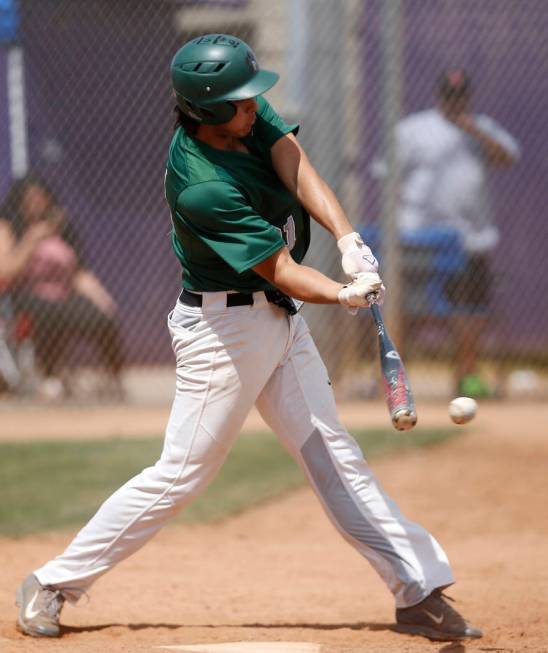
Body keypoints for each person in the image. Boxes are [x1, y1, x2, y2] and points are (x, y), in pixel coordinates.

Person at [15, 35, 481, 642]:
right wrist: (342, 293)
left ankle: (415, 588)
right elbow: (282, 270)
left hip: (277, 320)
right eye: (240, 103)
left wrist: (345, 237)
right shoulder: (201, 182)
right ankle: (51, 582)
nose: (254, 108)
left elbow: (294, 160)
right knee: (181, 474)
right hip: (223, 333)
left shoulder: (239, 118)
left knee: (335, 456)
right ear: (207, 112)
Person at [371, 69, 520, 398]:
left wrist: (474, 130)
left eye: (461, 97)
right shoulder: (414, 129)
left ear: (468, 97)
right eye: (450, 97)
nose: (455, 103)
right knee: (405, 310)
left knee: (470, 311)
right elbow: (386, 175)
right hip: (420, 240)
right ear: (440, 96)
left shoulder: (481, 127)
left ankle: (467, 377)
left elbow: (509, 156)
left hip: (469, 239)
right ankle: (397, 379)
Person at [0, 175, 125, 399]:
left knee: (102, 318)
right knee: (49, 314)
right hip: (26, 295)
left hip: (64, 295)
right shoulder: (10, 227)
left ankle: (113, 379)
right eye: (30, 199)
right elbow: (6, 270)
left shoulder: (62, 228)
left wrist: (102, 299)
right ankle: (50, 377)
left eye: (41, 198)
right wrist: (32, 238)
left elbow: (79, 273)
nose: (37, 203)